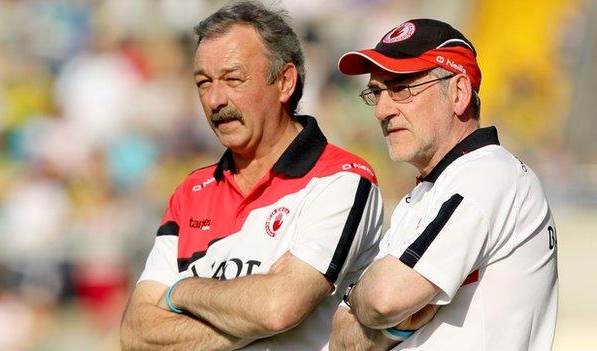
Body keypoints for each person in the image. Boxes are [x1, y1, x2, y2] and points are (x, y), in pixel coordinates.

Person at [120, 2, 384, 350]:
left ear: (285, 81)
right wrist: (251, 311)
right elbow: (137, 335)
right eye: (203, 83)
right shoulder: (191, 191)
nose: (215, 99)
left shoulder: (341, 179)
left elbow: (278, 308)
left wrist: (181, 292)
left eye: (233, 79)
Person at [330, 18, 558, 350]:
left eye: (401, 88)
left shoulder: (488, 173)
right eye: (376, 92)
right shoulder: (433, 188)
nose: (381, 110)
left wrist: (361, 298)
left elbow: (384, 297)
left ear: (459, 93)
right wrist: (393, 327)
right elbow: (341, 338)